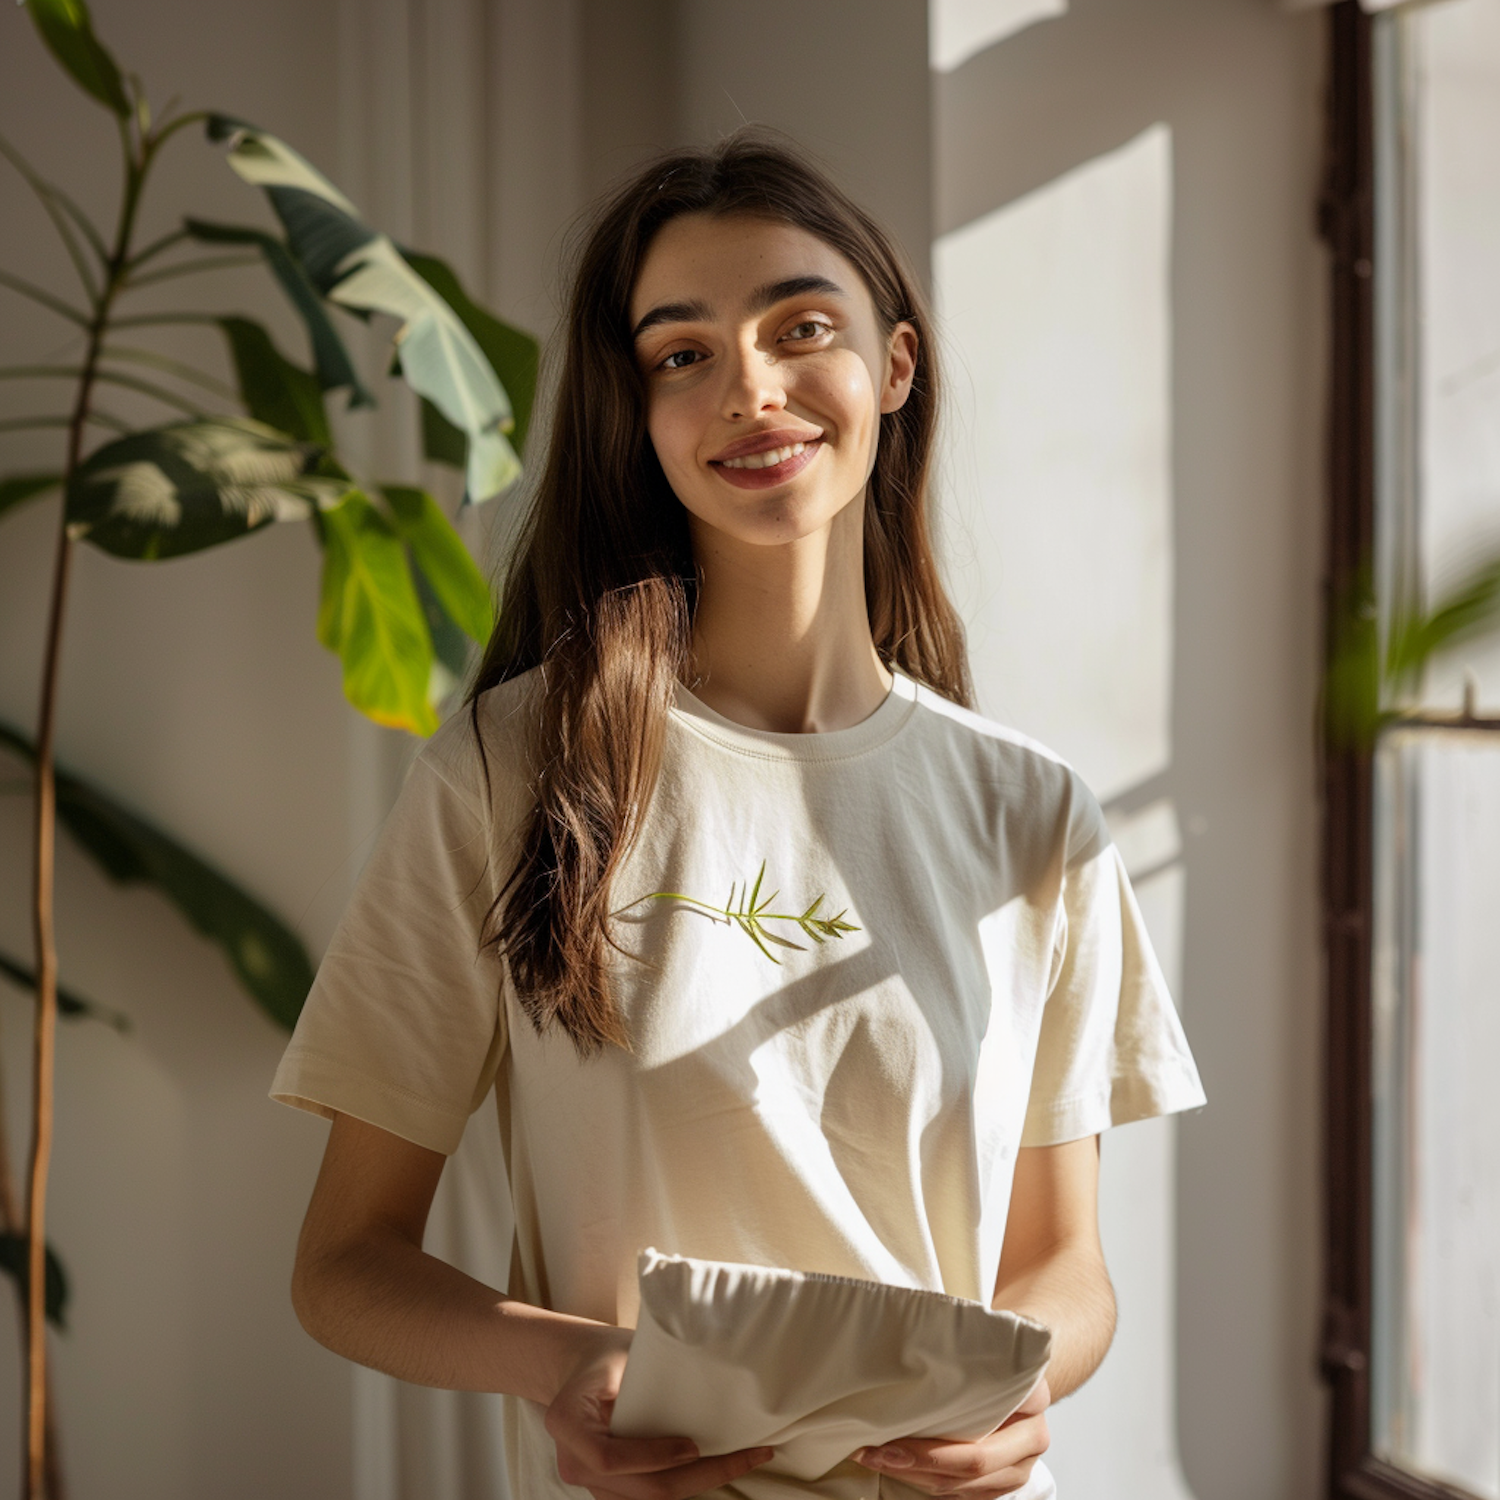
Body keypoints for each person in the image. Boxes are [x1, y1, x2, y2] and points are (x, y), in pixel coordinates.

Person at [272, 127, 1206, 1500]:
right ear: (639, 412)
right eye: (682, 353)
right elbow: (343, 1266)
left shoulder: (1033, 813)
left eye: (801, 327)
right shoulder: (509, 771)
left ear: (893, 365)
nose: (751, 390)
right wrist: (561, 1365)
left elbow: (1064, 1270)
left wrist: (1026, 1388)